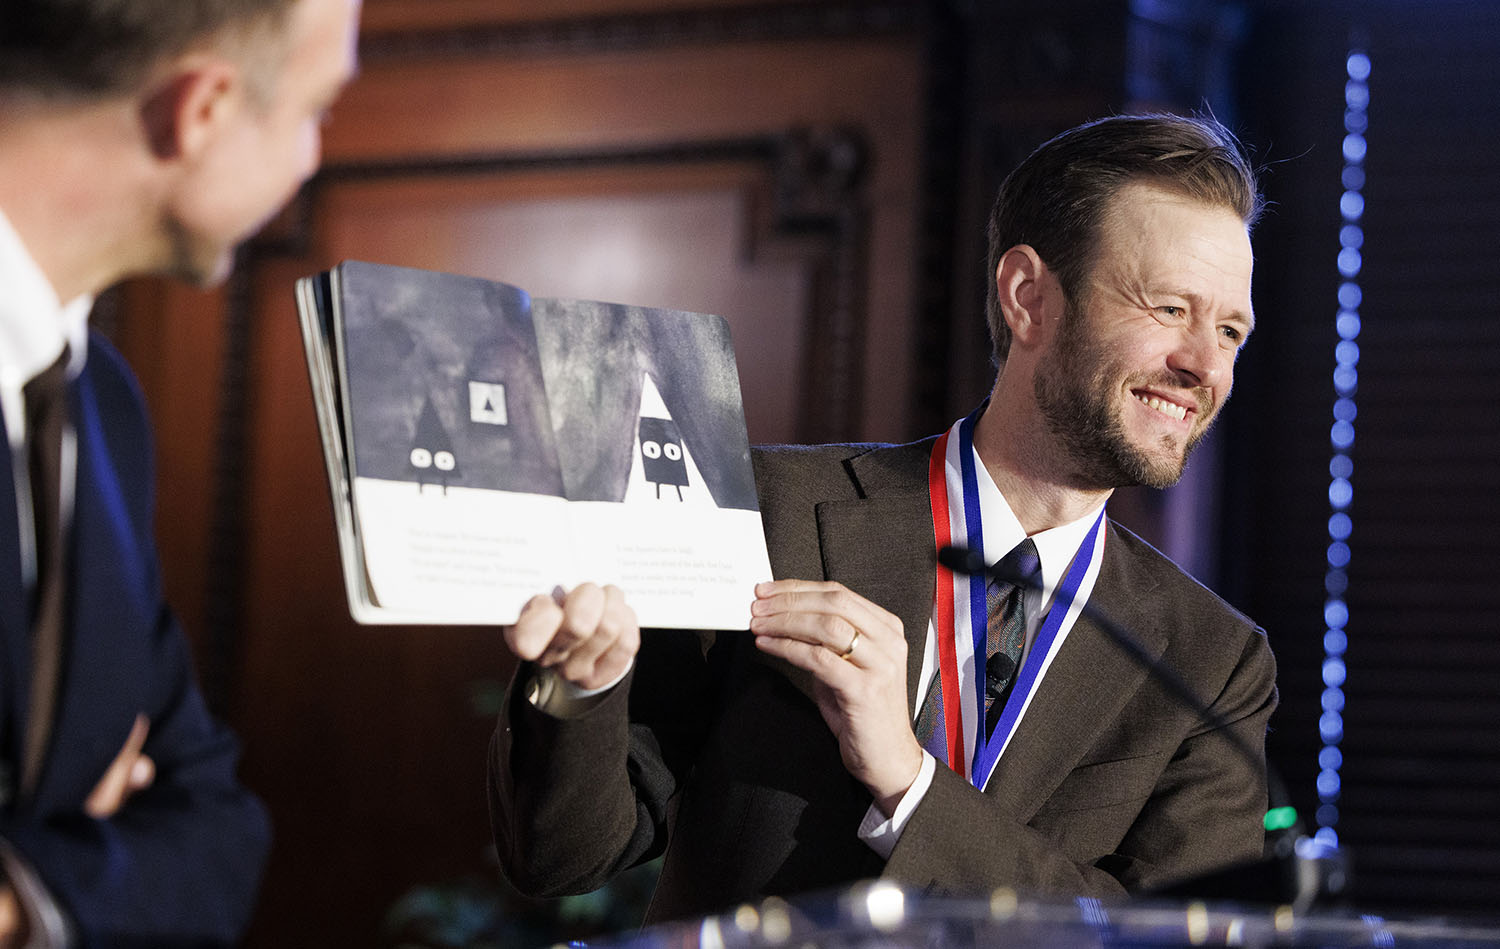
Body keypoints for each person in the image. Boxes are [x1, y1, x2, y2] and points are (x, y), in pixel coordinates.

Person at [488, 113, 1278, 922]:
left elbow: (1163, 940)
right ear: (1029, 298)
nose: (1205, 365)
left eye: (1229, 330)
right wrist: (583, 685)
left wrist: (909, 781)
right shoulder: (770, 512)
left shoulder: (1214, 664)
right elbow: (561, 856)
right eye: (1170, 308)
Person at [0, 0, 360, 942]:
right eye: (313, 110)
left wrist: (22, 892)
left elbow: (216, 826)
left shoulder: (103, 406)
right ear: (200, 109)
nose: (312, 156)